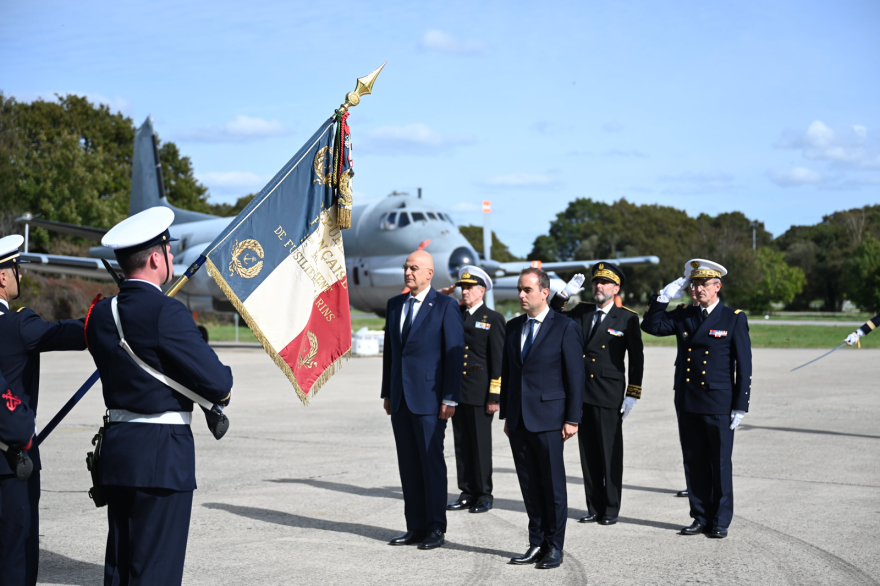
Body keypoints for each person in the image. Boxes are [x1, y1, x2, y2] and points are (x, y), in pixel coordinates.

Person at [85, 208, 233, 585]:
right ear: (156, 258)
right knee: (155, 573)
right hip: (161, 460)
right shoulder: (167, 312)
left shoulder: (102, 314)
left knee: (120, 568)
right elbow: (218, 384)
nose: (171, 258)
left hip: (118, 455)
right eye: (168, 251)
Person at [641, 259, 752, 539]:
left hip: (718, 400)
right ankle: (700, 516)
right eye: (694, 283)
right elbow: (651, 326)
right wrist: (662, 298)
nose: (697, 288)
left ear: (718, 286)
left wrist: (741, 404)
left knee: (719, 461)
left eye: (703, 283)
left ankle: (720, 519)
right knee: (693, 460)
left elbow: (744, 364)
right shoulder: (684, 315)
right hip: (689, 398)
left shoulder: (732, 317)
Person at [0, 234, 87, 586]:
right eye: (16, 268)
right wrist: (112, 314)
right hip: (10, 464)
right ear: (2, 276)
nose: (19, 275)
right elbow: (74, 334)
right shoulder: (18, 325)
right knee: (15, 562)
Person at [500, 268, 584, 569]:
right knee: (529, 485)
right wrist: (508, 416)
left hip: (550, 419)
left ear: (544, 292)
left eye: (527, 290)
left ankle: (554, 546)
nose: (521, 295)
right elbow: (509, 375)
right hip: (520, 420)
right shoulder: (513, 327)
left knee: (552, 485)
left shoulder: (564, 327)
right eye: (520, 290)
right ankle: (536, 542)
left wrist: (573, 418)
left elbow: (575, 377)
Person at [381, 250, 464, 550]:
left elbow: (454, 355)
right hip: (401, 399)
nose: (408, 272)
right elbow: (391, 354)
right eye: (406, 267)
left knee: (430, 464)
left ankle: (435, 528)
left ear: (430, 273)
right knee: (408, 465)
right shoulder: (395, 305)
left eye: (414, 268)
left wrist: (450, 397)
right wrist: (387, 393)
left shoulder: (445, 306)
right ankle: (414, 526)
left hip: (430, 400)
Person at [550, 262, 644, 525]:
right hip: (580, 393)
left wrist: (632, 393)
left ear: (616, 288)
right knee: (588, 453)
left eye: (604, 282)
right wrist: (564, 294)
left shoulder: (627, 318)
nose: (598, 286)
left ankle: (611, 509)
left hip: (608, 394)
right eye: (595, 282)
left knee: (609, 453)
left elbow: (637, 359)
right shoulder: (580, 311)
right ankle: (594, 506)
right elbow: (553, 315)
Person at [445, 266, 505, 515]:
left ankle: (484, 493)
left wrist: (494, 396)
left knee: (480, 444)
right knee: (461, 443)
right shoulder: (454, 313)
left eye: (470, 287)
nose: (465, 291)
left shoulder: (493, 318)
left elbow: (498, 360)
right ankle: (467, 492)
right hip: (458, 392)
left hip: (481, 393)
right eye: (462, 287)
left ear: (482, 290)